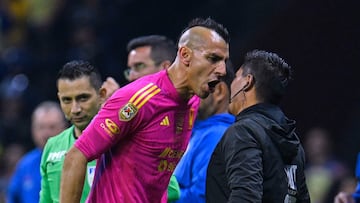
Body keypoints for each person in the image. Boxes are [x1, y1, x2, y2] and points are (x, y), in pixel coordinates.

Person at [60, 17, 230, 203]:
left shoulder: (193, 102)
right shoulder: (137, 99)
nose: (222, 70)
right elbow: (76, 156)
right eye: (213, 58)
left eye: (223, 61)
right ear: (185, 55)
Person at [206, 50, 310, 202]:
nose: (231, 85)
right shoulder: (293, 142)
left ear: (247, 81)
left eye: (235, 77)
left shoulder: (244, 132)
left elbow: (246, 197)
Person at [39, 60, 109, 203]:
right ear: (59, 99)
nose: (75, 109)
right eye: (67, 100)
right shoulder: (52, 146)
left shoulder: (122, 142)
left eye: (83, 98)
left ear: (101, 95)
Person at [172, 61, 235, 203]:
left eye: (193, 86)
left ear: (218, 92)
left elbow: (202, 197)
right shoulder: (197, 133)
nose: (185, 93)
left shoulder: (217, 135)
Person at [7, 101, 67, 203]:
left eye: (52, 127)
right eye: (41, 127)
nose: (46, 133)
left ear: (64, 128)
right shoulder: (25, 165)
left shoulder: (75, 158)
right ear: (32, 129)